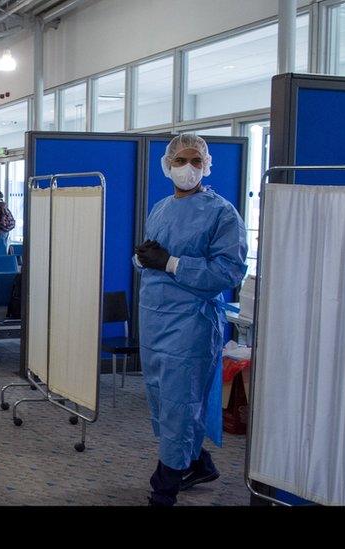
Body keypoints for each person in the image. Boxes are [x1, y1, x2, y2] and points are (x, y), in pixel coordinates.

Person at [133, 133, 248, 506]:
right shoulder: (161, 207)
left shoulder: (221, 213)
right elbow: (152, 259)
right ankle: (199, 461)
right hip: (154, 319)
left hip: (191, 323)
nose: (188, 167)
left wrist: (171, 262)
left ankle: (163, 487)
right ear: (167, 164)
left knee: (181, 402)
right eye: (181, 160)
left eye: (196, 160)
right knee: (164, 401)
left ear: (206, 165)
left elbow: (229, 271)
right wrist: (144, 258)